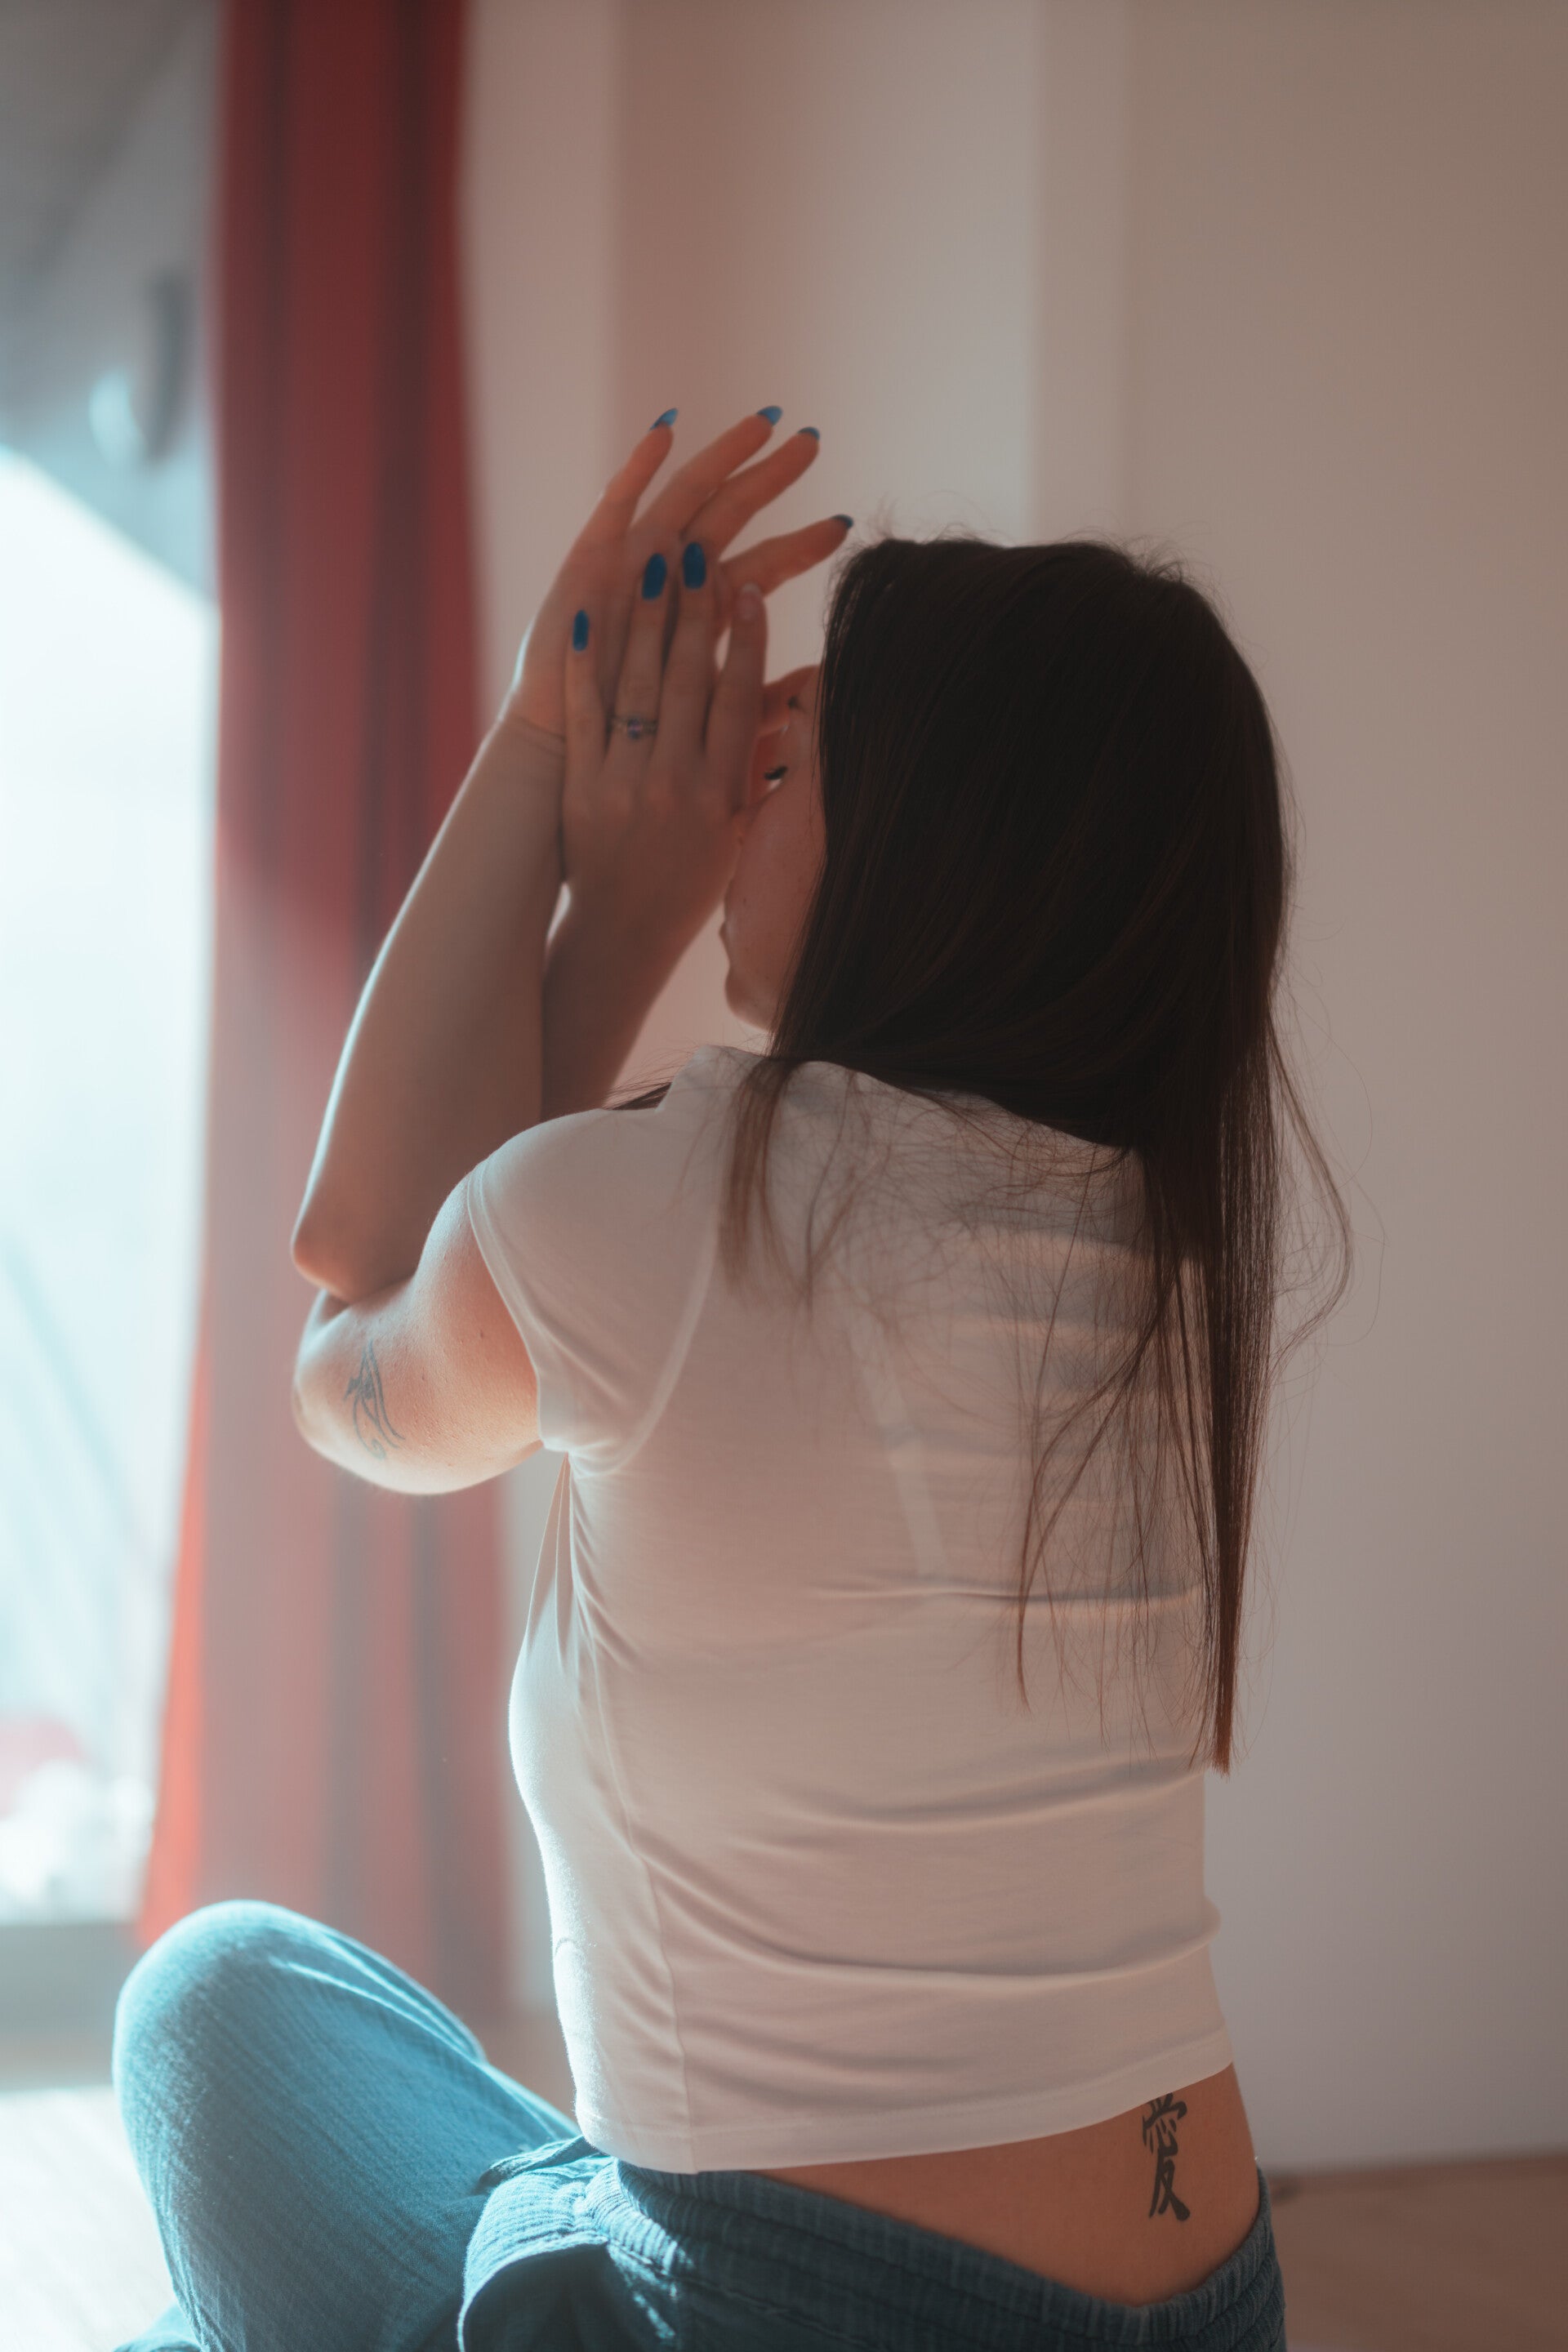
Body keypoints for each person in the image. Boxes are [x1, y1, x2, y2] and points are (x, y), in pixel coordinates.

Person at [114, 405, 1345, 2351]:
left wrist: (558, 791)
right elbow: (480, 1227)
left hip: (802, 2312)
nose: (736, 795)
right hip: (1215, 2295)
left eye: (786, 764)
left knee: (214, 2001)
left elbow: (355, 1308)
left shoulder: (663, 1215)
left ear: (926, 850)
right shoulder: (1172, 1238)